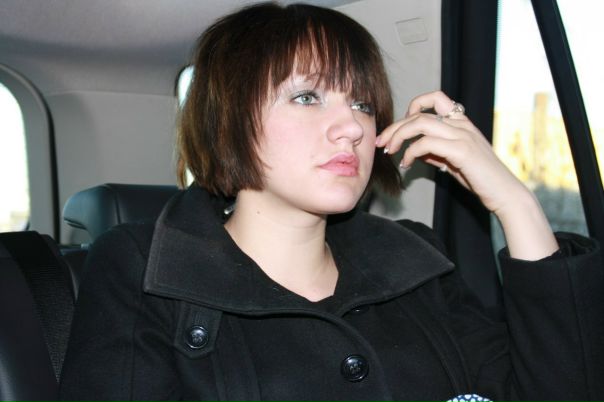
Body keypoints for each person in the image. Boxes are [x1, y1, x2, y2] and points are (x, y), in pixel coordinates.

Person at [59, 2, 604, 402]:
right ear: (228, 124)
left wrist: (514, 202)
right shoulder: (141, 269)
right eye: (306, 96)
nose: (352, 127)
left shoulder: (416, 264)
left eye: (363, 104)